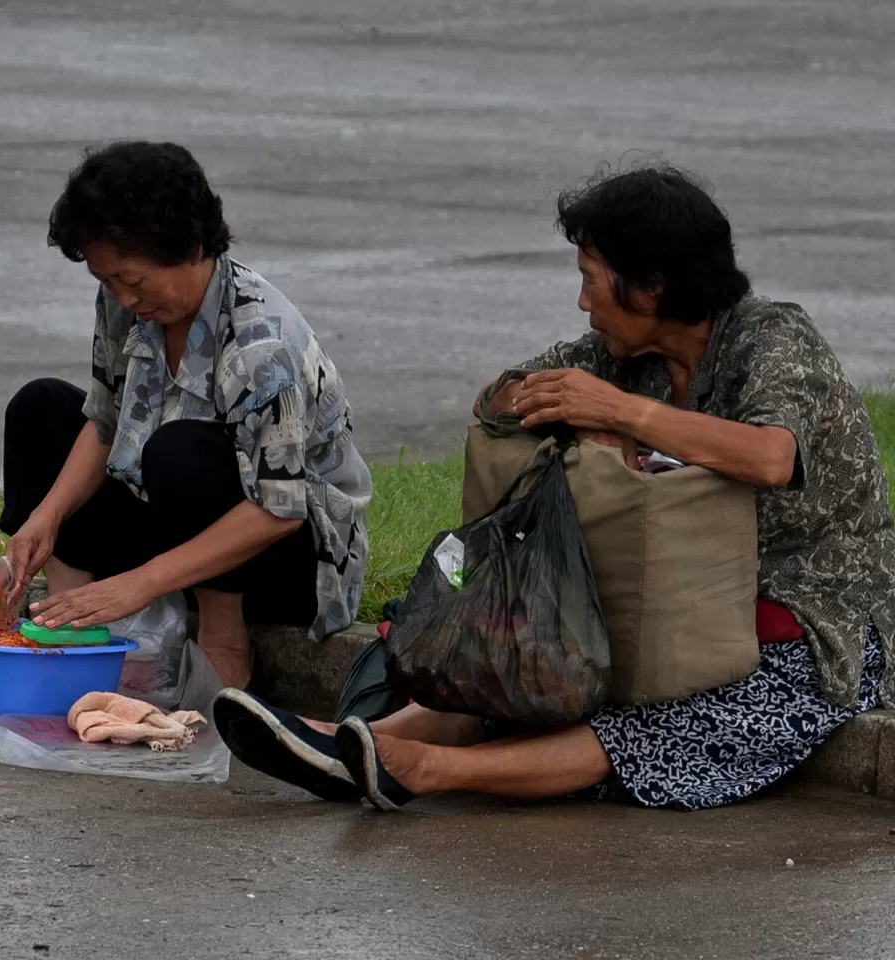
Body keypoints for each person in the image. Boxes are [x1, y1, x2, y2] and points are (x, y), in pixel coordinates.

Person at [215, 165, 894, 811]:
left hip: (813, 623)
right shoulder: (618, 354)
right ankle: (346, 747)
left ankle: (422, 769)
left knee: (674, 724)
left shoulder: (772, 338)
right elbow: (495, 401)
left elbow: (771, 457)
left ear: (651, 286)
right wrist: (567, 413)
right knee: (535, 658)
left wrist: (622, 414)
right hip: (666, 605)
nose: (581, 300)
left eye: (590, 279)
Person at [0, 141, 372, 689]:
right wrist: (46, 516)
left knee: (181, 450)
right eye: (107, 281)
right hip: (175, 525)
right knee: (41, 408)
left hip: (285, 561)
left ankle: (223, 642)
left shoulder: (261, 345)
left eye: (133, 279)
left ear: (192, 246)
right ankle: (70, 617)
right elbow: (105, 422)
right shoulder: (124, 305)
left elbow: (279, 509)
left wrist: (141, 583)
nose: (123, 297)